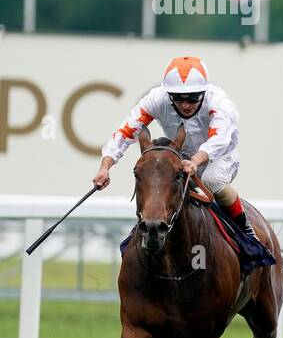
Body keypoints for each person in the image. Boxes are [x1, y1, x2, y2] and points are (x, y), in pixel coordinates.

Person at [95, 56, 260, 240]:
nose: (186, 105)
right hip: (182, 157)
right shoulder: (156, 99)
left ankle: (247, 232)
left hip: (220, 157)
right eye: (178, 99)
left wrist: (195, 161)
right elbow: (125, 132)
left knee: (212, 179)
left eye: (192, 98)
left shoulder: (220, 104)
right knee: (158, 172)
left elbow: (218, 140)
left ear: (204, 93)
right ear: (168, 95)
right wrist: (105, 167)